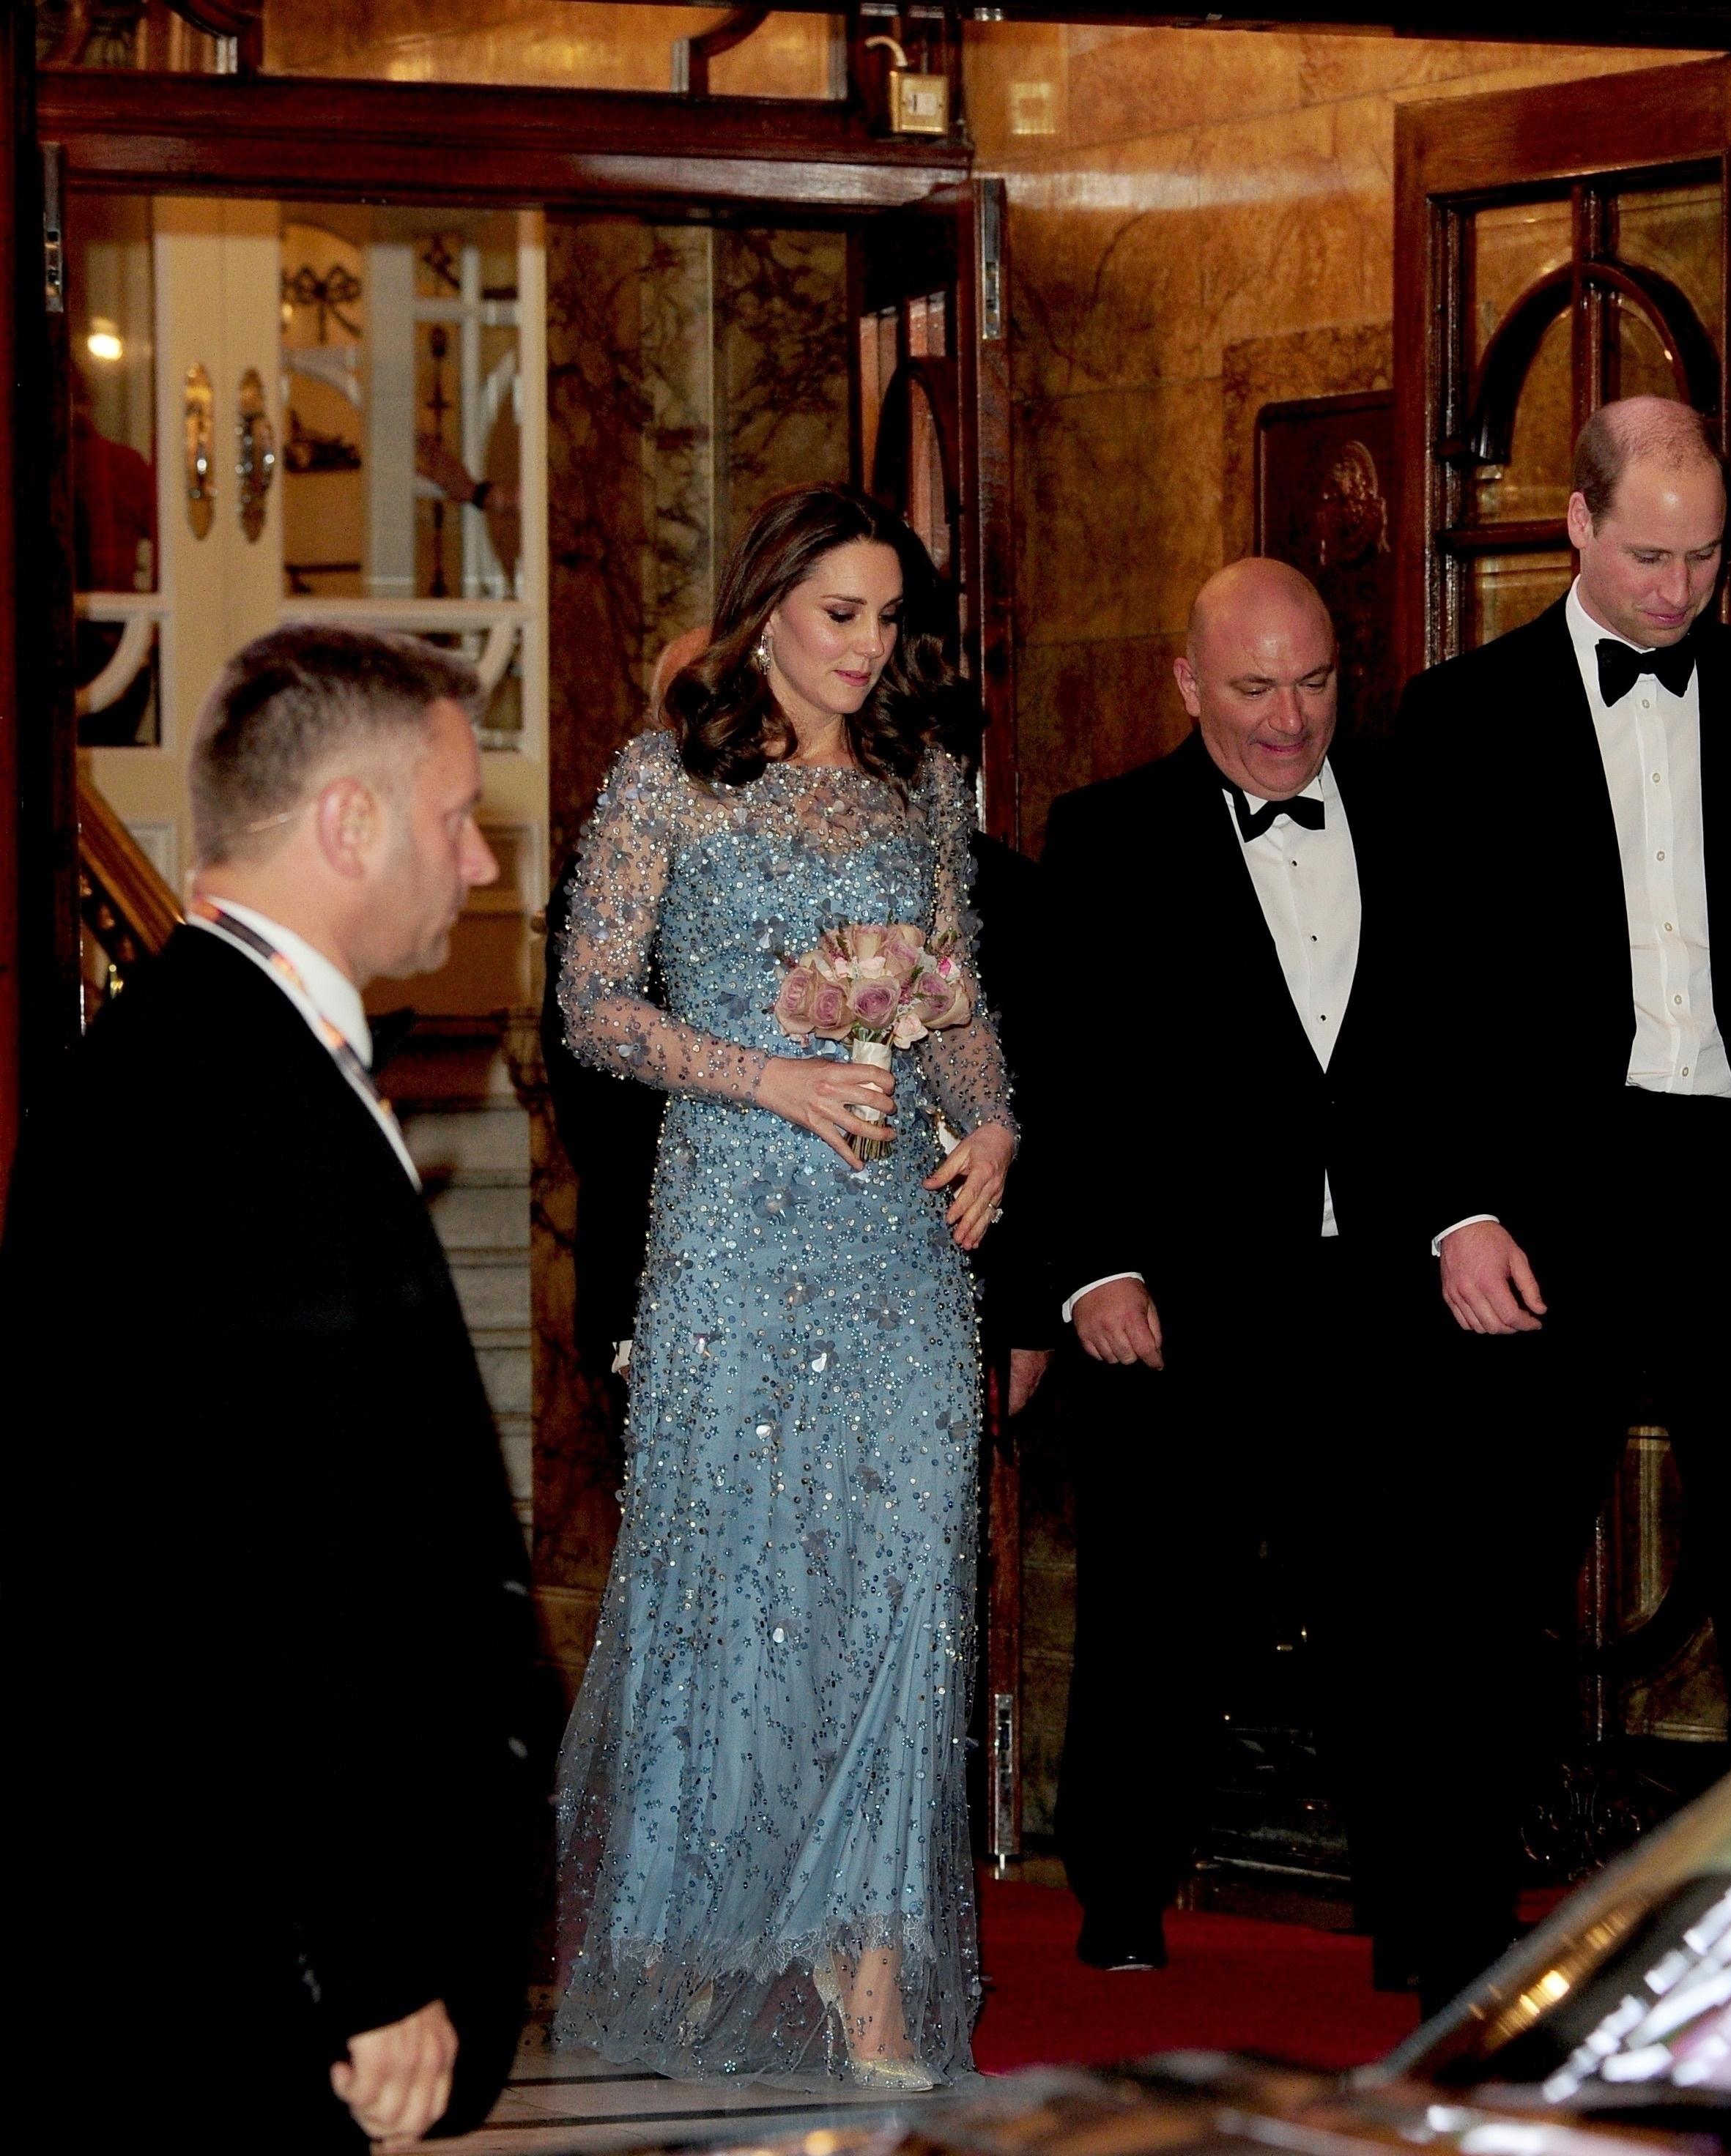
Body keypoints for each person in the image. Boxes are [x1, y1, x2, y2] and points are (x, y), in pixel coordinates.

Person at [1385, 395, 1731, 2009]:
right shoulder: (1461, 715)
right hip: (1554, 1191)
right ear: (1579, 528)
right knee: (1489, 1581)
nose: (1683, 589)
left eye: (1709, 556)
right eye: (1654, 555)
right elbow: (1412, 999)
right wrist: (1456, 1209)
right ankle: (1459, 1945)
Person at [1, 625, 542, 2148]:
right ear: (347, 822)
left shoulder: (203, 1054)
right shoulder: (231, 1103)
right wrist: (362, 1960)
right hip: (249, 1954)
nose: (480, 866)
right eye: (453, 816)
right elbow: (267, 1564)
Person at [550, 482, 1016, 2091]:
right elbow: (593, 1008)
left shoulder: (922, 779)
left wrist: (999, 1118)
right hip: (736, 1243)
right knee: (735, 1592)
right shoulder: (672, 776)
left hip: (900, 1253)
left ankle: (874, 1965)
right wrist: (767, 1074)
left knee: (902, 1597)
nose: (868, 648)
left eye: (890, 620)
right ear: (768, 604)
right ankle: (708, 1930)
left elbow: (953, 1005)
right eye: (841, 614)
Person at [1038, 557, 1399, 1975]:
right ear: (1188, 682)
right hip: (1176, 1306)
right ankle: (1119, 1894)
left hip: (1371, 1290)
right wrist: (1094, 1269)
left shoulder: (1411, 809)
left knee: (1389, 1607)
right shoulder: (1108, 836)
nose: (1288, 719)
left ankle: (1409, 1902)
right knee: (1156, 1617)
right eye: (1254, 686)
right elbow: (1069, 1079)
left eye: (1313, 682)